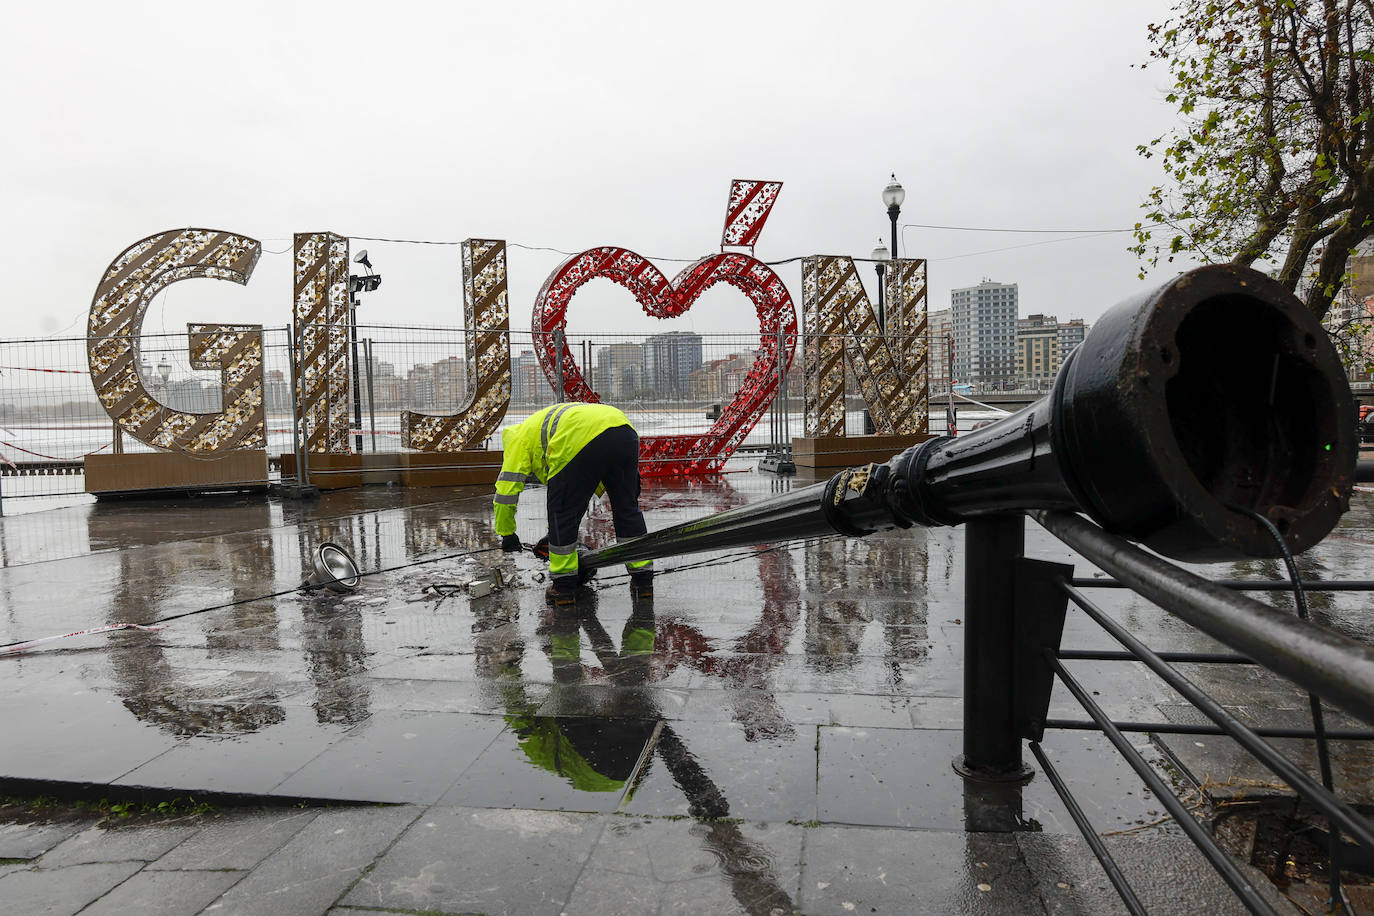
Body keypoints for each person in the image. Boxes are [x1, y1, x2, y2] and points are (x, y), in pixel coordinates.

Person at [493, 402, 653, 604]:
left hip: (579, 437)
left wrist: (507, 534)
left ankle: (564, 587)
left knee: (562, 513)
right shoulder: (540, 425)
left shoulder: (517, 439)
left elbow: (506, 494)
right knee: (627, 508)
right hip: (622, 429)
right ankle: (643, 580)